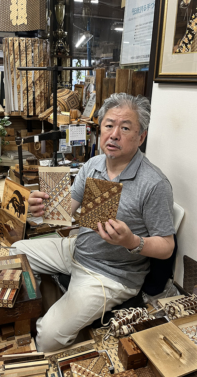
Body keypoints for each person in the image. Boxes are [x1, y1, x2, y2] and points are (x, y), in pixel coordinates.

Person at [12, 93, 175, 352]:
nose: (114, 134)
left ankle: (58, 332)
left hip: (111, 274)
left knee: (47, 338)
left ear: (141, 137)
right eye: (109, 125)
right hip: (77, 249)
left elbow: (167, 246)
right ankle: (43, 307)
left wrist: (132, 242)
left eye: (125, 128)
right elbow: (64, 212)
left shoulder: (154, 183)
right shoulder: (93, 165)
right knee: (14, 253)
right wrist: (39, 209)